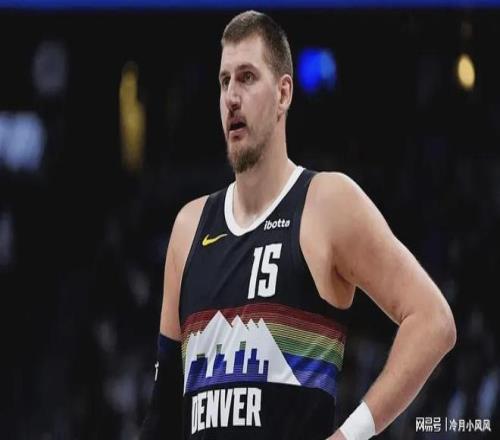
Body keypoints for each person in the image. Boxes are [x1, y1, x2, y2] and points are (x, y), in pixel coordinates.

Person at [139, 10, 456, 440]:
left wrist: (350, 435)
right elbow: (162, 413)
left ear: (283, 92)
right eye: (224, 81)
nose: (232, 97)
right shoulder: (189, 227)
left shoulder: (326, 203)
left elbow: (433, 320)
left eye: (247, 77)